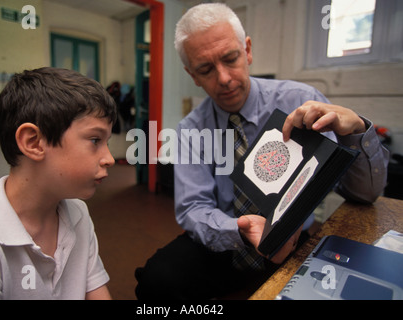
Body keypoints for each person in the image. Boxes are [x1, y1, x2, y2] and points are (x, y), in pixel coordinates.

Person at [135, 3, 389, 299]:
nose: (225, 78)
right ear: (192, 75)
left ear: (248, 50)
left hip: (294, 237)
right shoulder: (191, 130)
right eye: (206, 69)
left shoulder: (300, 100)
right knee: (156, 280)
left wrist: (356, 130)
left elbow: (366, 196)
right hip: (227, 239)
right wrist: (240, 230)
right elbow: (194, 209)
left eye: (231, 59)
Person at [0, 67, 116, 299]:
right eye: (95, 140)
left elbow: (95, 291)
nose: (110, 158)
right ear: (33, 142)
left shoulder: (78, 213)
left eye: (107, 142)